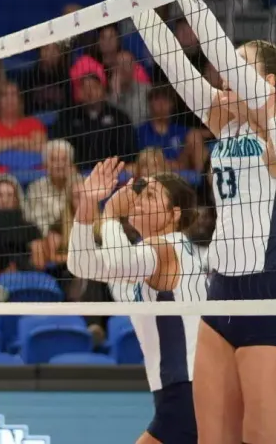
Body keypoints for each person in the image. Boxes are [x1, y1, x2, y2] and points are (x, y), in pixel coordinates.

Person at [100, 0, 276, 444]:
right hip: (220, 295)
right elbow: (175, 64)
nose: (221, 78)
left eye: (236, 69)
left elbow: (218, 51)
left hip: (272, 300)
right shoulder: (226, 120)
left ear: (263, 81)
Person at [67, 159, 204, 444]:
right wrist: (88, 202)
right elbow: (81, 265)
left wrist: (112, 214)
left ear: (174, 214)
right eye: (140, 195)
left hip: (187, 387)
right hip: (179, 388)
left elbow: (116, 261)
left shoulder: (166, 246)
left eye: (151, 196)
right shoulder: (156, 252)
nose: (139, 201)